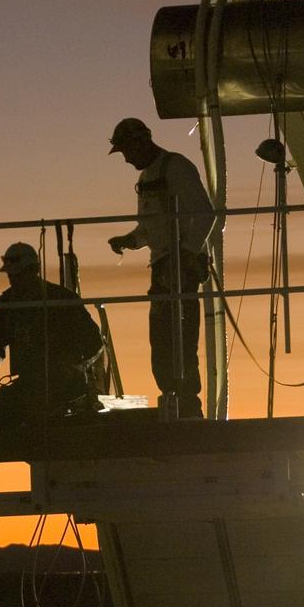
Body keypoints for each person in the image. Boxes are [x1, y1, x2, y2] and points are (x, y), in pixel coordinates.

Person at [107, 117, 215, 419]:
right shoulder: (147, 178)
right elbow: (151, 227)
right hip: (163, 266)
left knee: (180, 338)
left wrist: (186, 256)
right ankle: (172, 402)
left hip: (180, 267)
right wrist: (129, 240)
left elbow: (205, 213)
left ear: (141, 142)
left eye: (127, 151)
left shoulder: (175, 168)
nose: (127, 159)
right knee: (162, 340)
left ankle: (187, 407)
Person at [0, 242, 104, 429]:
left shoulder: (62, 300)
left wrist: (73, 366)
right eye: (12, 276)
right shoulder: (5, 306)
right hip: (29, 384)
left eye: (19, 275)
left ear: (34, 270)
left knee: (41, 421)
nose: (15, 280)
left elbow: (94, 341)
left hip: (66, 385)